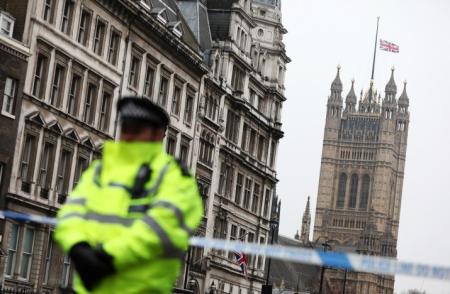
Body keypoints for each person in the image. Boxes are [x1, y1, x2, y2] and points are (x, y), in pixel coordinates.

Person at [54, 96, 203, 294]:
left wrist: (105, 258)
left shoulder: (176, 178)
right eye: (125, 129)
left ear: (158, 135)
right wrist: (77, 247)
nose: (128, 137)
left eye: (137, 130)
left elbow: (159, 230)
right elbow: (70, 213)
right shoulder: (101, 170)